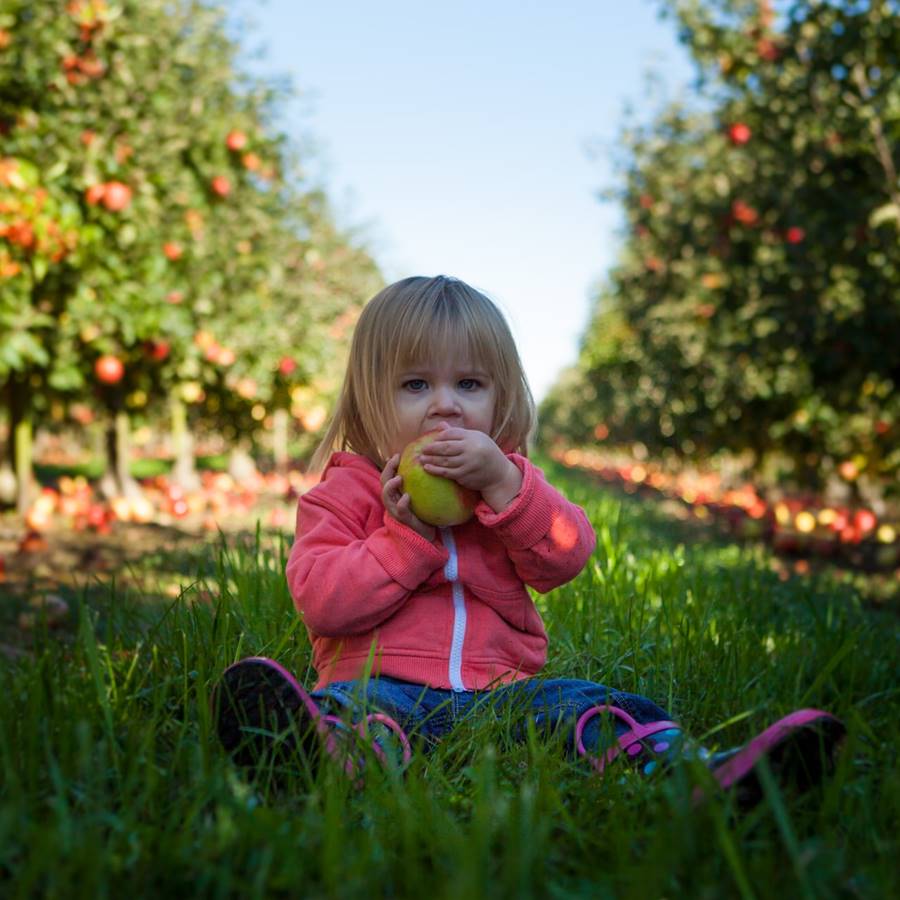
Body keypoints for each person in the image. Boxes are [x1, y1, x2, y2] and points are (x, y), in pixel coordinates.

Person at [212, 274, 845, 805]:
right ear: (367, 397)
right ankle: (318, 755)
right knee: (354, 713)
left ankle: (700, 774)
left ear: (500, 396)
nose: (445, 407)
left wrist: (507, 489)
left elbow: (567, 556)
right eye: (415, 385)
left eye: (469, 385)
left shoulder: (509, 485)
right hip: (379, 683)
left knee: (596, 707)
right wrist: (404, 540)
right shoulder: (342, 496)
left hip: (502, 694)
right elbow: (323, 602)